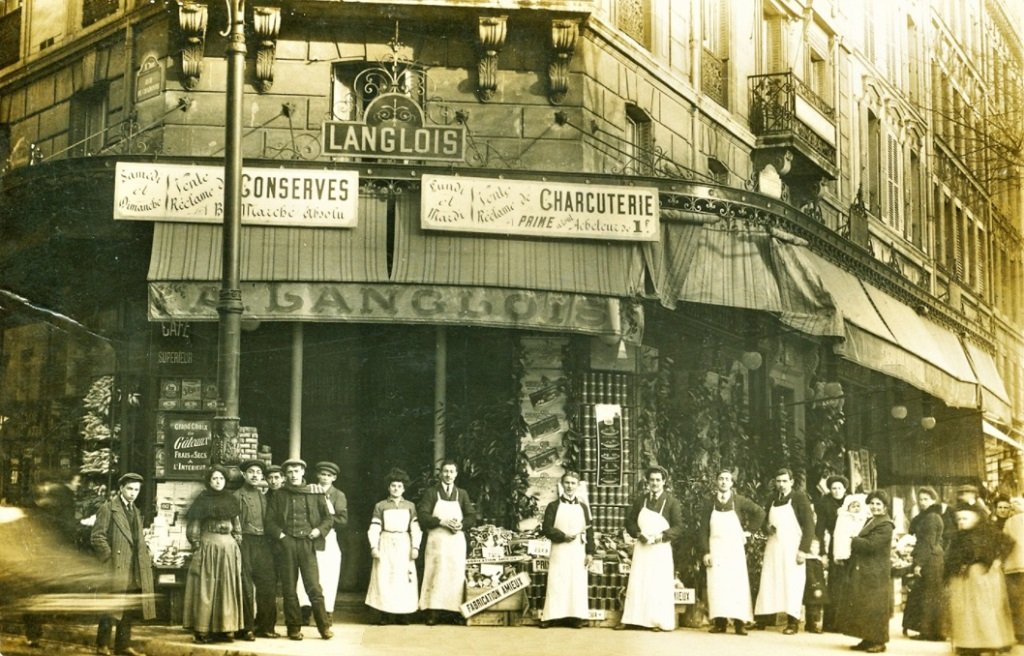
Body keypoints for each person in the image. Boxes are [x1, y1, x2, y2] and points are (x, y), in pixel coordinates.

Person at [265, 458, 334, 641]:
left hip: (307, 544)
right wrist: (282, 537)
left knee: (314, 587)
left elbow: (328, 519)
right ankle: (293, 628)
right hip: (287, 545)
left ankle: (324, 627)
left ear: (303, 472)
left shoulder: (315, 492)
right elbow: (269, 522)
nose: (293, 475)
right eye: (289, 472)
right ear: (285, 475)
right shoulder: (279, 494)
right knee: (289, 588)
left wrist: (318, 531)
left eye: (296, 471)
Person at [91, 472, 155, 656]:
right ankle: (102, 645)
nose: (133, 493)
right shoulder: (108, 508)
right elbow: (97, 536)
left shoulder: (135, 511)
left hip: (133, 567)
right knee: (110, 607)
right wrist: (110, 558)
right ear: (121, 488)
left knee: (127, 608)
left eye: (137, 490)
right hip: (116, 566)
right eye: (130, 489)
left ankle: (123, 645)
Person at [182, 466, 245, 643]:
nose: (218, 482)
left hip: (228, 548)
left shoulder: (231, 500)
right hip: (208, 545)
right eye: (214, 479)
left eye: (221, 479)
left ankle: (225, 628)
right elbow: (193, 526)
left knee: (227, 587)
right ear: (209, 481)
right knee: (206, 588)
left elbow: (237, 524)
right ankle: (202, 630)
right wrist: (197, 544)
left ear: (225, 481)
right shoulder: (202, 500)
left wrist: (236, 541)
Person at [616, 465, 683, 632]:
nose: (655, 483)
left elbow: (679, 527)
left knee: (657, 584)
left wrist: (662, 535)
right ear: (647, 481)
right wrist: (637, 533)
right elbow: (629, 521)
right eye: (652, 480)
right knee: (638, 582)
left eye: (658, 480)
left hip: (660, 549)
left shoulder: (672, 502)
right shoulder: (641, 500)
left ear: (664, 482)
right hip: (642, 547)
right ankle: (632, 619)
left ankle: (657, 621)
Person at [699, 467, 764, 636]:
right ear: (716, 482)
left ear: (732, 483)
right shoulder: (709, 503)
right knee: (717, 584)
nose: (723, 482)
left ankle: (739, 623)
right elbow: (703, 529)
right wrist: (706, 552)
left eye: (727, 479)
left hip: (734, 548)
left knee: (737, 584)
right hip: (715, 548)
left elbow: (759, 512)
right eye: (721, 478)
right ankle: (720, 623)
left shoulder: (739, 500)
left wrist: (749, 531)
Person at [944, 501, 1015, 655]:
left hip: (982, 578)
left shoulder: (986, 531)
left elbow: (1007, 542)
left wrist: (998, 561)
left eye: (965, 518)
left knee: (983, 612)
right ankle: (967, 644)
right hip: (963, 581)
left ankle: (988, 643)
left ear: (975, 518)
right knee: (964, 613)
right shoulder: (957, 536)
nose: (961, 522)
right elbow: (951, 559)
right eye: (959, 519)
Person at [22, 471, 81, 648]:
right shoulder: (63, 495)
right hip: (51, 550)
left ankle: (33, 633)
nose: (79, 485)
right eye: (78, 481)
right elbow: (66, 525)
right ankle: (38, 630)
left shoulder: (41, 500)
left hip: (39, 551)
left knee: (36, 593)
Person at [753, 468, 815, 635]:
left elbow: (809, 525)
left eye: (784, 481)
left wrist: (803, 550)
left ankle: (792, 622)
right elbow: (764, 520)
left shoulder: (799, 498)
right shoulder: (772, 499)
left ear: (791, 482)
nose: (781, 485)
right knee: (769, 579)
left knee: (791, 583)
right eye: (778, 481)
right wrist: (767, 528)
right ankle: (763, 619)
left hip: (792, 546)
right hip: (774, 545)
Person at [835, 490, 895, 653]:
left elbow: (871, 545)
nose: (875, 507)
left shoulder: (886, 525)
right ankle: (867, 638)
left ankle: (879, 641)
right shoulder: (872, 520)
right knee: (865, 605)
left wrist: (853, 540)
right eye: (872, 503)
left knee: (876, 607)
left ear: (885, 507)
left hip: (877, 571)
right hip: (867, 569)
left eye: (878, 504)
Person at [418, 459, 476, 626]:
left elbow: (471, 516)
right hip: (437, 541)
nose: (448, 475)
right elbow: (422, 515)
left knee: (454, 576)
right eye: (445, 471)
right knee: (436, 574)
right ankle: (433, 612)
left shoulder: (462, 494)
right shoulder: (431, 493)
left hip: (455, 541)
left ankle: (454, 613)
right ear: (440, 474)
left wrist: (462, 524)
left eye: (451, 472)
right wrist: (440, 522)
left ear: (456, 474)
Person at [366, 467, 423, 625]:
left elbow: (415, 528)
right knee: (385, 577)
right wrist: (374, 547)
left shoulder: (410, 506)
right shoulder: (381, 506)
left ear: (404, 488)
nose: (396, 489)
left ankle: (402, 615)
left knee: (403, 578)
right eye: (393, 486)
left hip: (404, 543)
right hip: (385, 543)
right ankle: (384, 614)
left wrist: (415, 547)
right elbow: (375, 527)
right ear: (388, 488)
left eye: (399, 486)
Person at [539, 470, 595, 629]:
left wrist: (590, 552)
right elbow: (547, 529)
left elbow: (589, 530)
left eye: (573, 483)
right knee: (557, 581)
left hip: (578, 550)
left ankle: (576, 617)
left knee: (576, 582)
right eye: (567, 483)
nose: (569, 486)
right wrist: (563, 536)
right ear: (562, 485)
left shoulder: (583, 507)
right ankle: (551, 616)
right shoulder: (553, 506)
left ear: (577, 486)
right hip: (559, 550)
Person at [297, 461, 348, 626]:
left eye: (329, 475)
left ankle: (327, 612)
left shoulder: (338, 495)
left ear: (334, 478)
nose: (325, 478)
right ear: (317, 475)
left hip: (328, 538)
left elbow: (343, 519)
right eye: (323, 474)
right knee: (303, 573)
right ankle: (305, 610)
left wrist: (324, 522)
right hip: (308, 536)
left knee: (328, 575)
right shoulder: (309, 490)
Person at [234, 460, 278, 639]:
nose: (254, 475)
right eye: (251, 471)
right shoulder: (236, 495)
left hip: (263, 543)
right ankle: (246, 628)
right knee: (245, 585)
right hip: (244, 541)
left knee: (267, 584)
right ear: (244, 475)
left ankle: (266, 627)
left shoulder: (264, 496)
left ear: (262, 477)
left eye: (258, 472)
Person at [901, 486, 945, 642]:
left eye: (926, 499)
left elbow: (928, 542)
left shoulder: (932, 517)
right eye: (920, 499)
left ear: (934, 500)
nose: (922, 502)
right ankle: (932, 631)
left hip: (930, 559)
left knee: (929, 595)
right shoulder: (925, 516)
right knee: (928, 594)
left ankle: (929, 632)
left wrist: (919, 564)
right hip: (930, 557)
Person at [814, 474, 848, 632]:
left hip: (852, 542)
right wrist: (822, 552)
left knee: (850, 582)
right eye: (833, 488)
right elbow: (820, 529)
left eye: (839, 488)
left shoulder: (851, 501)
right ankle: (831, 623)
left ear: (845, 488)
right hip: (835, 543)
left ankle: (848, 622)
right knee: (835, 582)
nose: (836, 491)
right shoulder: (825, 503)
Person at [1002, 496, 1024, 644]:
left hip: (1013, 567)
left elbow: (1004, 545)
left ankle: (1020, 632)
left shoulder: (1009, 522)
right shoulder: (1010, 521)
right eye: (1012, 503)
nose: (1013, 506)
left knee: (1016, 602)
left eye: (1016, 503)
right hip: (1015, 566)